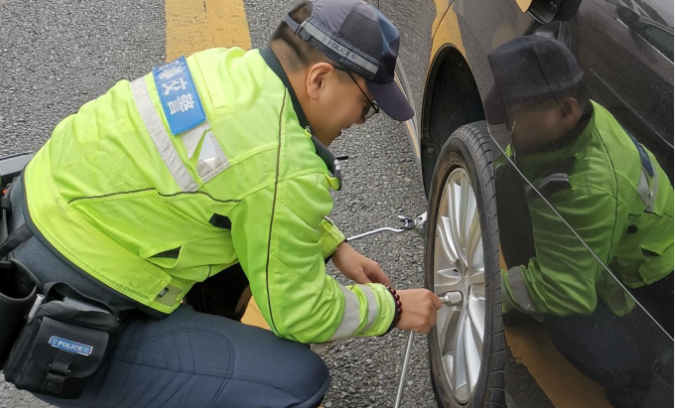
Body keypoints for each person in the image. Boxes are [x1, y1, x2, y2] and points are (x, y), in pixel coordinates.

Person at [0, 1, 442, 407]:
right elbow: (300, 313)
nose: (361, 121)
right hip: (62, 321)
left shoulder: (227, 68)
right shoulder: (281, 160)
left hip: (27, 228)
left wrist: (334, 245)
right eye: (367, 106)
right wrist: (393, 308)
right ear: (319, 79)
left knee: (244, 249)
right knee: (294, 381)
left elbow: (242, 184)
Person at [487, 36, 674, 408]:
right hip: (604, 231)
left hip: (645, 275)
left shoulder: (590, 187)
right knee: (506, 180)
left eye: (515, 115)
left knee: (569, 323)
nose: (509, 124)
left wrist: (487, 292)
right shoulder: (573, 122)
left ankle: (636, 380)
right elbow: (513, 167)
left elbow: (566, 290)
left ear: (566, 109)